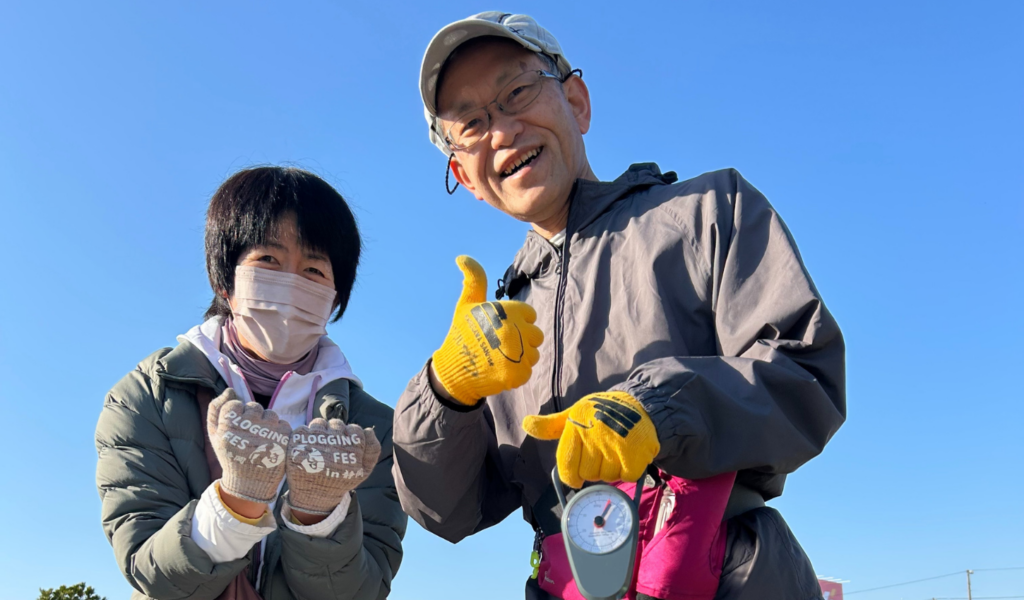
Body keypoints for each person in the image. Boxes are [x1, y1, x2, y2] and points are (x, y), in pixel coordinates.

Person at [393, 12, 845, 600]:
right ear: (464, 175)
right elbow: (446, 512)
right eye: (471, 124)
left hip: (725, 574)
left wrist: (656, 409)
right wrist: (446, 390)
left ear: (576, 101)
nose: (500, 130)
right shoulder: (500, 320)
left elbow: (807, 374)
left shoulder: (709, 211)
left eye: (517, 92)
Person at [95, 167, 406, 600]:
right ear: (225, 279)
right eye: (268, 260)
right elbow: (152, 574)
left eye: (314, 269)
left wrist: (318, 512)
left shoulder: (371, 429)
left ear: (336, 297)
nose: (292, 282)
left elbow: (364, 592)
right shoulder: (145, 396)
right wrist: (236, 499)